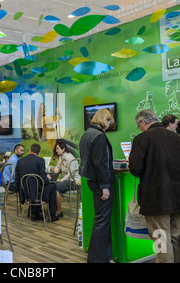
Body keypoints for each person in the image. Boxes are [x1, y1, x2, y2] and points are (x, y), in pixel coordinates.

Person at [129, 109, 180, 263]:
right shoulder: (178, 139)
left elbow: (135, 169)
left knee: (161, 238)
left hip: (157, 198)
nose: (140, 129)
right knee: (177, 236)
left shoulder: (142, 139)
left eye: (139, 126)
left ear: (143, 122)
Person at [79, 108, 115, 263]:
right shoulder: (99, 136)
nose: (108, 125)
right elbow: (100, 163)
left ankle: (105, 257)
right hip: (101, 184)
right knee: (102, 222)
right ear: (103, 119)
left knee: (102, 221)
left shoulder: (87, 133)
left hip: (92, 181)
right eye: (108, 121)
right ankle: (96, 259)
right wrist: (105, 186)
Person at [14, 143, 62, 221]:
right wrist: (48, 179)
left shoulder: (20, 161)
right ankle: (52, 215)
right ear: (38, 153)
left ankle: (34, 213)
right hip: (37, 192)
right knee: (52, 186)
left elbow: (17, 178)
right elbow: (43, 179)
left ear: (30, 151)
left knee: (35, 187)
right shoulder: (40, 160)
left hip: (25, 192)